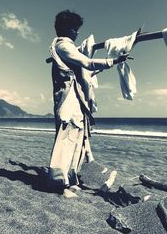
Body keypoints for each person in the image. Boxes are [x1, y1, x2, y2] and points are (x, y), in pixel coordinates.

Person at [48, 10, 129, 194]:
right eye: (75, 29)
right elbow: (88, 63)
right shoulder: (63, 46)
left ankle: (70, 178)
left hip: (75, 99)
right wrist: (113, 60)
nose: (77, 33)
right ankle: (59, 183)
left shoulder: (68, 48)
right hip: (67, 99)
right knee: (66, 137)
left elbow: (85, 70)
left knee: (76, 139)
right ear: (67, 29)